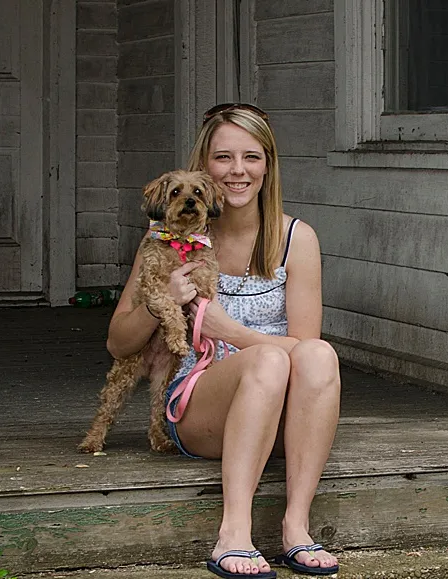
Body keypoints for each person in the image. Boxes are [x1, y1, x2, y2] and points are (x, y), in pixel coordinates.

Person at [106, 103, 341, 578]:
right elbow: (117, 344)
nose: (238, 171)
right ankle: (233, 533)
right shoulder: (170, 235)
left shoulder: (297, 239)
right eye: (223, 158)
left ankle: (296, 526)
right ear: (203, 165)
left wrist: (230, 332)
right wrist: (161, 302)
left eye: (251, 157)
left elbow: (307, 353)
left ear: (268, 166)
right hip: (201, 407)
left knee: (317, 354)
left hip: (278, 417)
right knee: (269, 363)